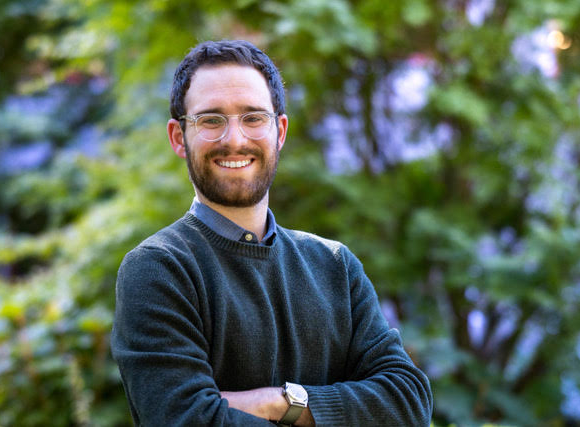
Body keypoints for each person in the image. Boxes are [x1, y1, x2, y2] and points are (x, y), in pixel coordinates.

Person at [110, 39, 433, 426]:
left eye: (253, 118)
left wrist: (280, 402)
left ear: (279, 131)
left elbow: (408, 403)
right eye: (211, 120)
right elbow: (186, 420)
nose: (234, 139)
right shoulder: (159, 269)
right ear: (179, 137)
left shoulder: (335, 267)